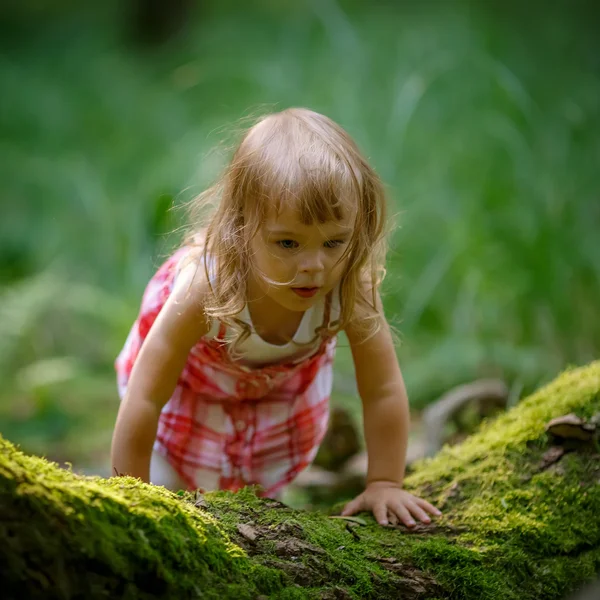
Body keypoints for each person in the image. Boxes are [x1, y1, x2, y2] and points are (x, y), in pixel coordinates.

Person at [111, 107, 441, 528]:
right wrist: (133, 498)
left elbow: (382, 390)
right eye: (288, 243)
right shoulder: (205, 288)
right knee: (167, 488)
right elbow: (146, 397)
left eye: (334, 241)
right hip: (190, 393)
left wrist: (384, 482)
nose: (314, 266)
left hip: (277, 405)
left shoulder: (348, 287)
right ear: (240, 228)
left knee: (256, 509)